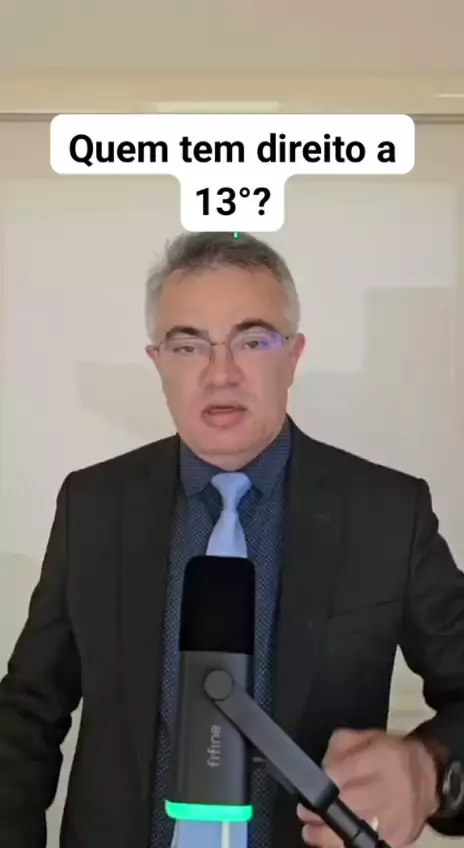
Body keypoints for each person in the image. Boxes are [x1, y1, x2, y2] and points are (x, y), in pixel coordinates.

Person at [1, 231, 464, 848]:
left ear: (293, 355)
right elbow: (27, 714)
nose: (221, 374)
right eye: (188, 345)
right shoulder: (93, 505)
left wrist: (430, 771)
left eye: (253, 341)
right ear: (158, 362)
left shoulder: (388, 513)